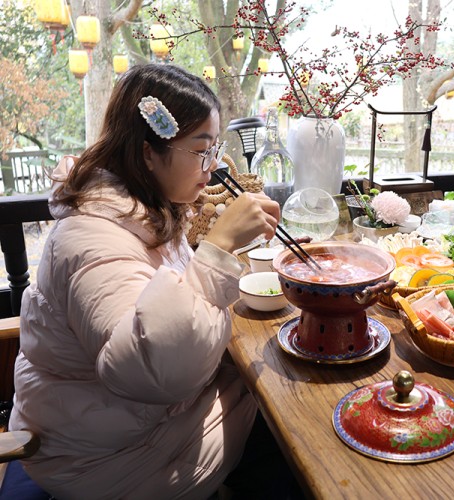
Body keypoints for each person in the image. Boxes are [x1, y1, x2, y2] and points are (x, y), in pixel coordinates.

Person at [10, 63, 281, 498]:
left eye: (214, 150)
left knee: (272, 388)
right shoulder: (91, 235)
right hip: (105, 461)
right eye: (201, 150)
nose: (212, 166)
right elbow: (152, 369)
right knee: (286, 425)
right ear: (148, 153)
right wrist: (219, 246)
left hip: (121, 425)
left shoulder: (140, 209)